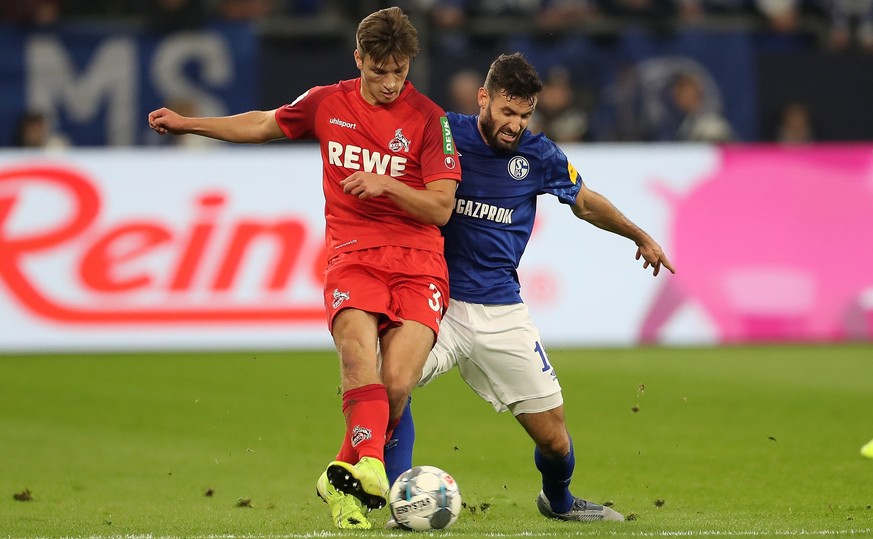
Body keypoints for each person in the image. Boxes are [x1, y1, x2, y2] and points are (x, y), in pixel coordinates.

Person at [147, 6, 462, 530]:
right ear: (358, 58)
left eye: (399, 72)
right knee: (357, 358)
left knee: (398, 384)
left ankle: (342, 473)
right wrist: (189, 124)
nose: (388, 83)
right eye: (377, 71)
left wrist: (388, 184)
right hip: (353, 256)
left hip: (418, 263)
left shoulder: (431, 121)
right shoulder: (326, 102)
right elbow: (265, 123)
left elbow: (441, 208)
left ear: (411, 63)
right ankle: (363, 473)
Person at [382, 52, 675, 523]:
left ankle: (559, 503)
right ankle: (399, 504)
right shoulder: (444, 133)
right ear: (484, 98)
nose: (515, 124)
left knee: (555, 439)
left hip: (501, 312)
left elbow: (585, 202)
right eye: (506, 111)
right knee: (389, 387)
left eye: (524, 114)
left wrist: (639, 235)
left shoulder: (538, 155)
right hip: (437, 301)